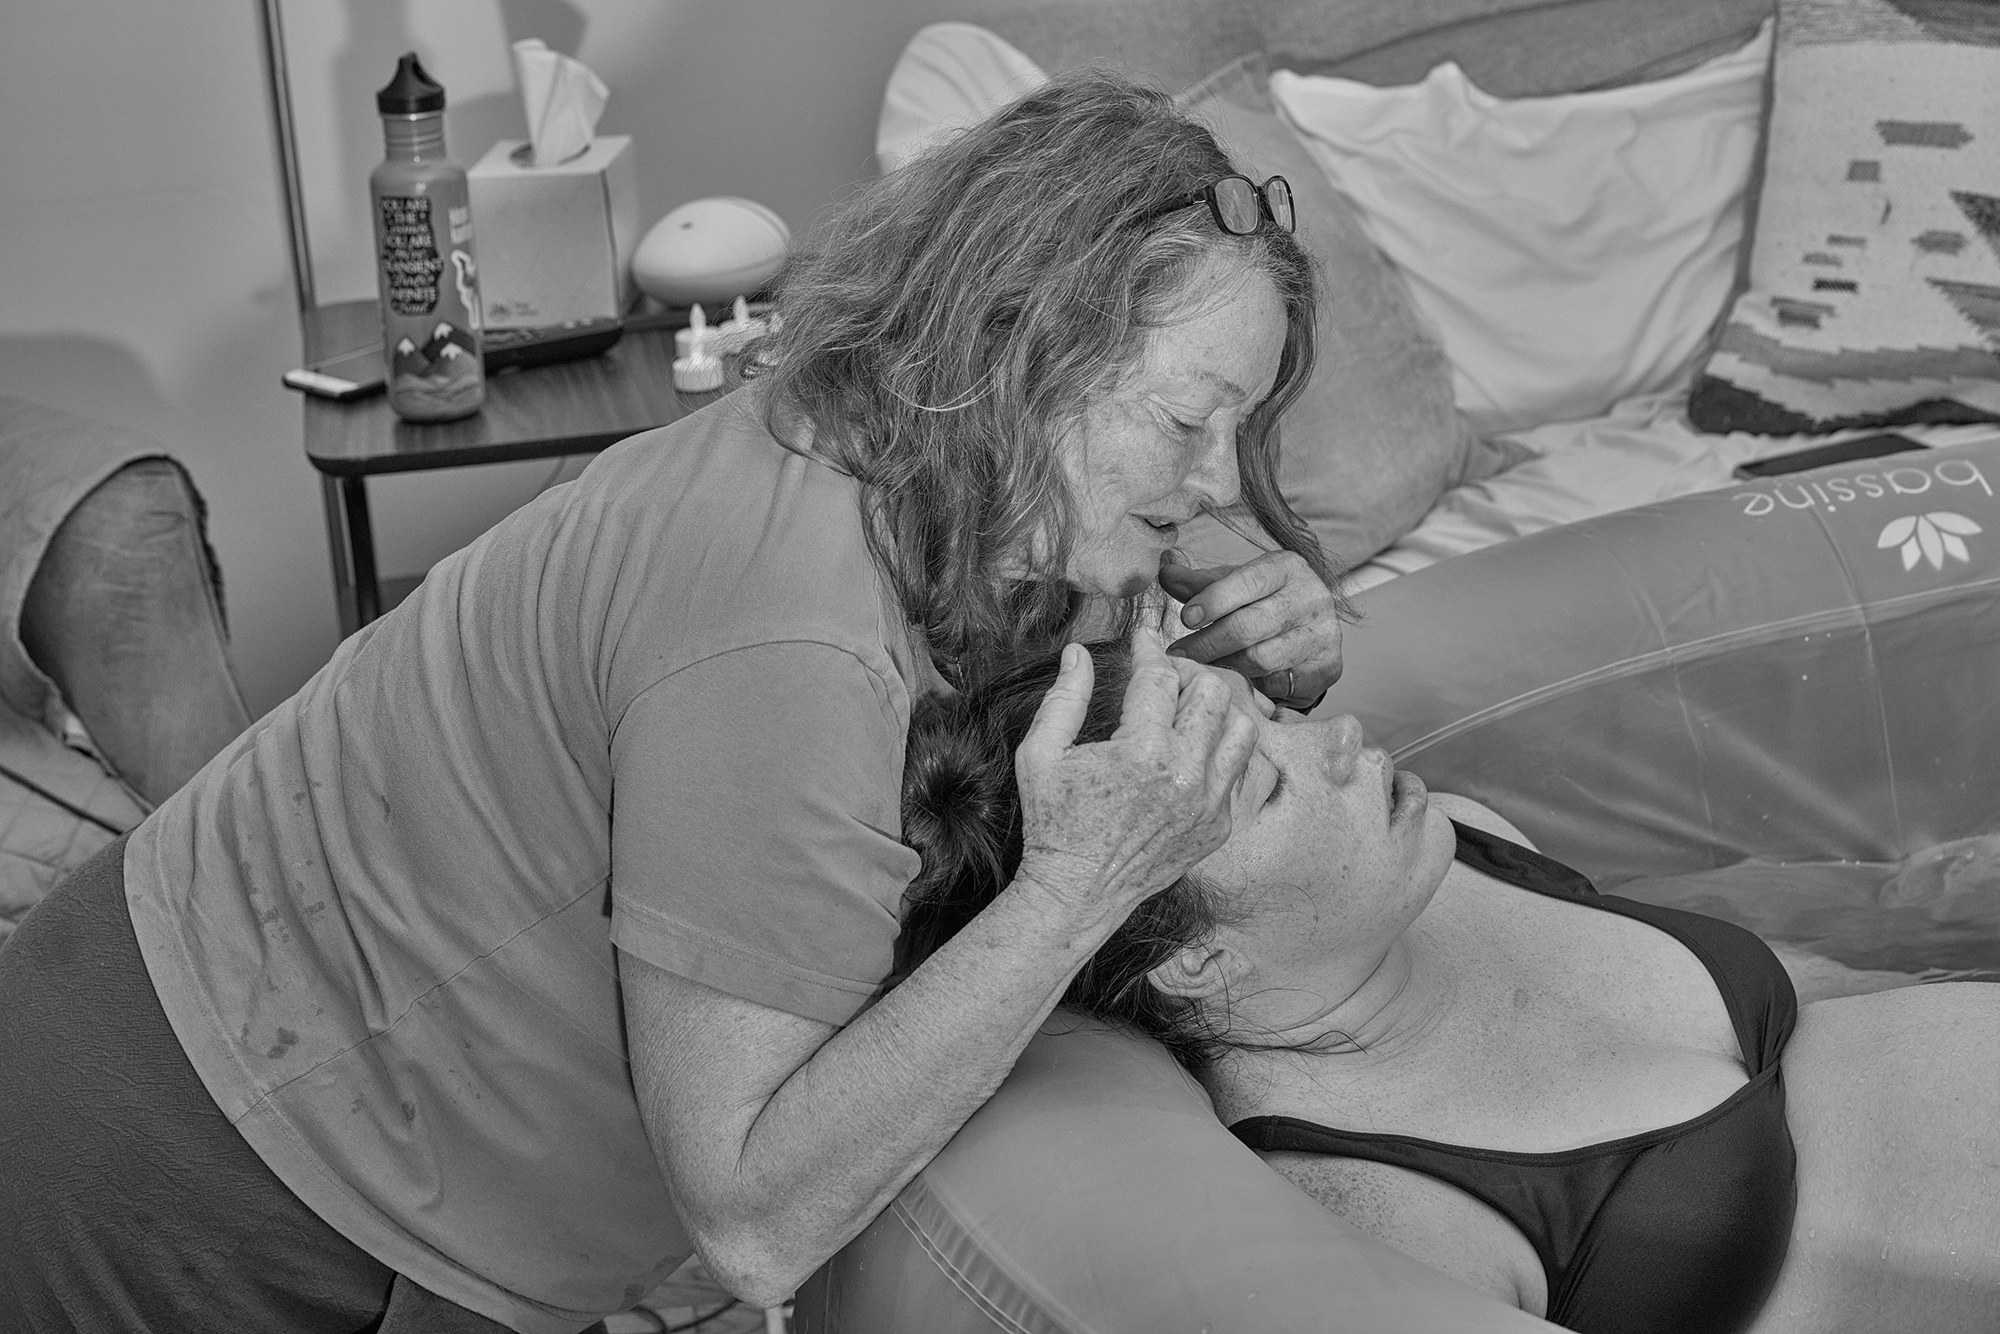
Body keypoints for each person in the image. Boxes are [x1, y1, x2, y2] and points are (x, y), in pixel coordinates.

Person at [0, 70, 1347, 1333]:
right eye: (1190, 422)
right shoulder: (787, 630)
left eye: (1244, 427)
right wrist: (1081, 886)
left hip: (240, 1058)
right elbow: (757, 1223)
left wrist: (1254, 628)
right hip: (198, 1163)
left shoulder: (923, 468)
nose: (1225, 483)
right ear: (1017, 356)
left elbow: (1021, 678)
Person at [896, 639, 2000, 1334]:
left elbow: (1795, 989)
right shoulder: (1379, 1209)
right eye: (1269, 782)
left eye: (1269, 713)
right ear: (1197, 955)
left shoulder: (1451, 842)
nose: (1337, 733)